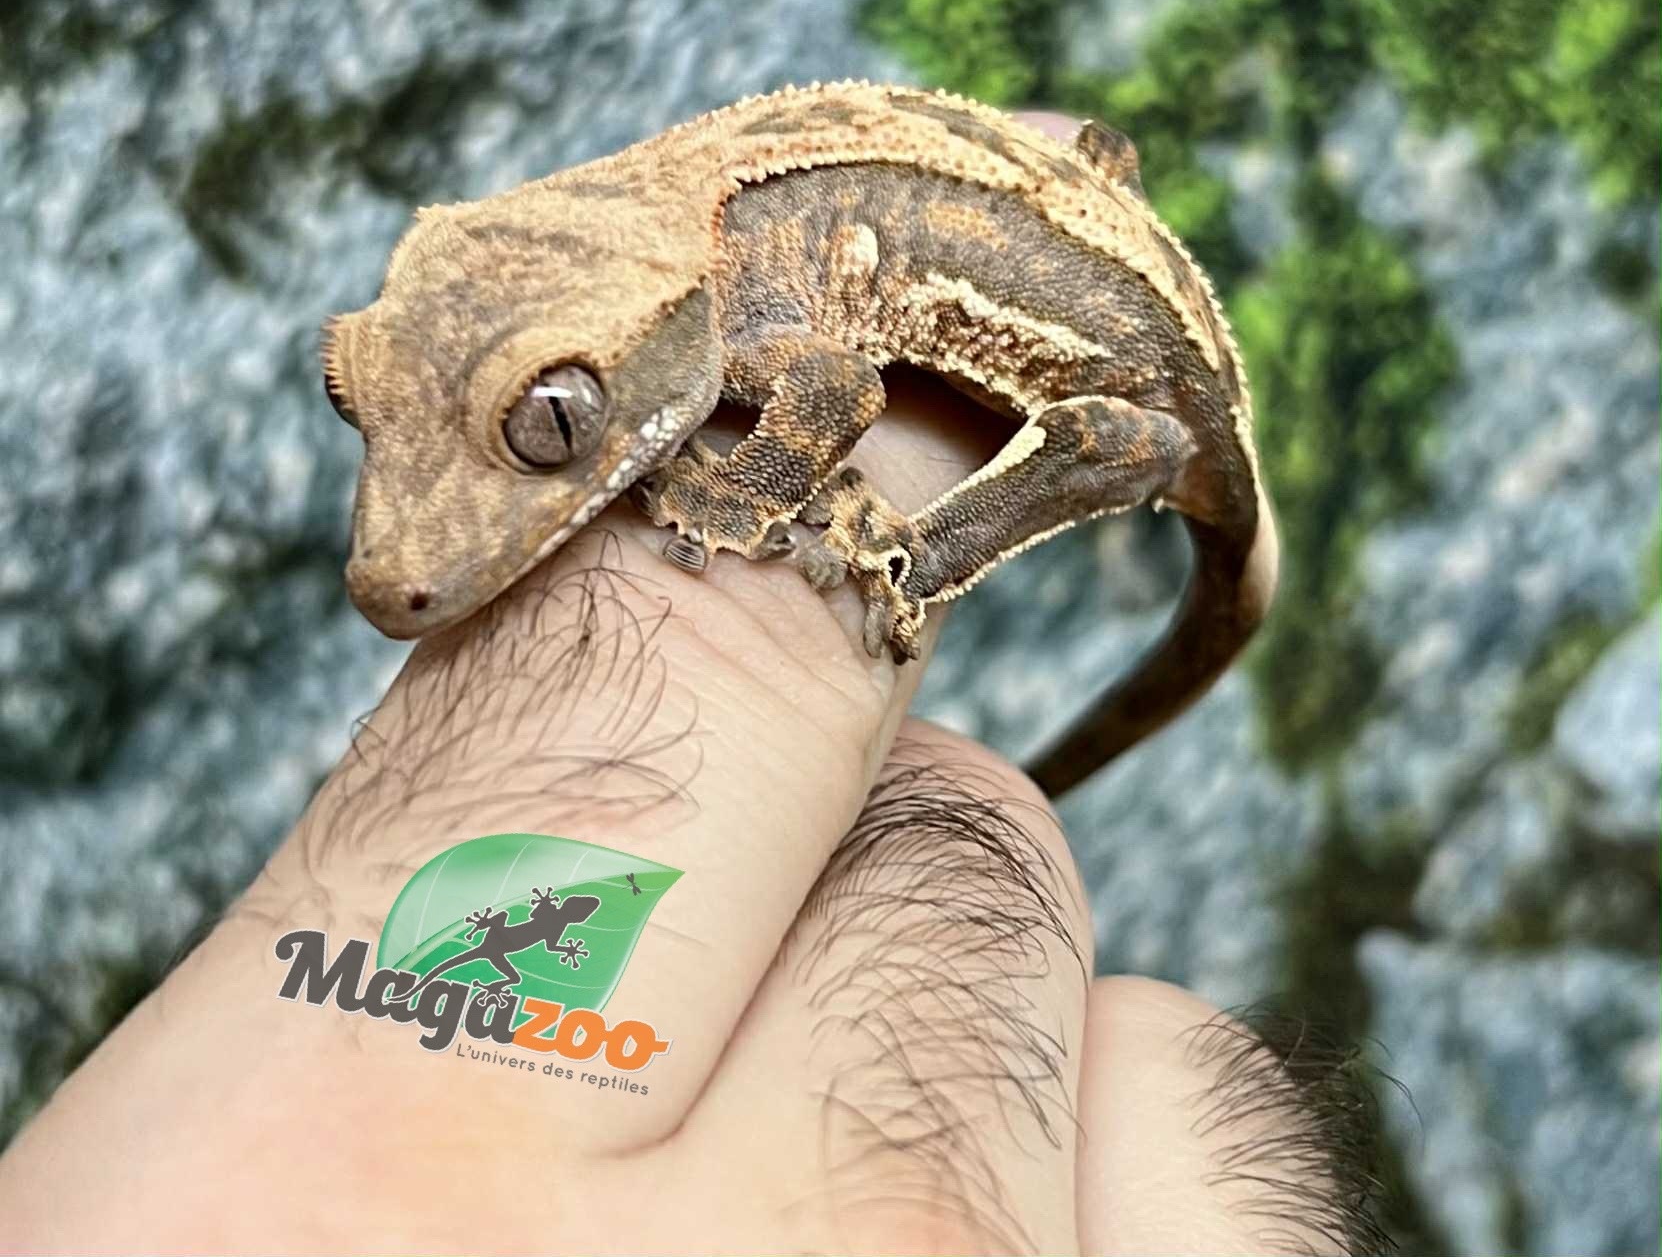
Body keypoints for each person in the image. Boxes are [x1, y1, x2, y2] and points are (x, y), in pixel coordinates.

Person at [0, 119, 1385, 1256]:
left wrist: (804, 514)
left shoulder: (752, 298)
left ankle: (924, 565)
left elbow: (835, 391)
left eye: (548, 425)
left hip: (1140, 390)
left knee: (1098, 438)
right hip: (1051, 212)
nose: (393, 568)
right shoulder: (661, 264)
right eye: (351, 388)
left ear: (672, 327)